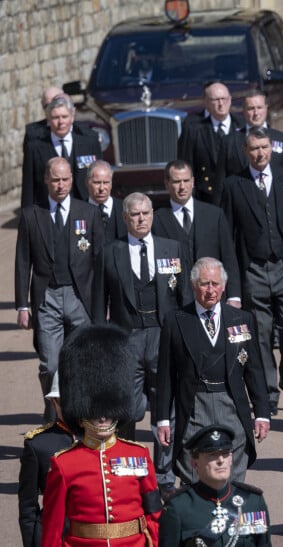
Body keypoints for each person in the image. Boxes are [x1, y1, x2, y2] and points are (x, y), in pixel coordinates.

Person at [93, 192, 186, 498]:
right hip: (126, 338)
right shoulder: (110, 252)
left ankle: (164, 475)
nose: (141, 219)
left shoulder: (172, 249)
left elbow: (184, 299)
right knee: (129, 409)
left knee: (166, 406)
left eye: (145, 213)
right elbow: (98, 305)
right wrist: (103, 346)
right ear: (124, 218)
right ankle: (129, 467)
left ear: (153, 215)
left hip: (163, 335)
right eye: (134, 215)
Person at [222, 127, 283, 416]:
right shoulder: (234, 185)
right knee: (260, 334)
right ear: (245, 151)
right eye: (254, 148)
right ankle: (269, 393)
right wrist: (233, 286)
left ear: (272, 148)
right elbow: (226, 238)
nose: (260, 153)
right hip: (253, 268)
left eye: (264, 147)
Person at [41, 324, 162, 547]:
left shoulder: (139, 455)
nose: (103, 418)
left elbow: (154, 512)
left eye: (109, 410)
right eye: (95, 412)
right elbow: (53, 528)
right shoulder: (64, 464)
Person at [157, 257, 270, 485]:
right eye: (205, 284)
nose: (211, 290)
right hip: (194, 406)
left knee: (232, 470)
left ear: (224, 286)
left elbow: (254, 369)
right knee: (194, 472)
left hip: (232, 405)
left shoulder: (242, 319)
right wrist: (162, 420)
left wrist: (262, 413)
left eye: (215, 284)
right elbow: (166, 375)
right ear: (193, 285)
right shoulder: (176, 321)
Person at [15, 156, 104, 422]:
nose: (61, 185)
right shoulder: (32, 214)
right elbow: (22, 262)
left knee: (82, 362)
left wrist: (102, 304)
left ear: (72, 180)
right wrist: (22, 305)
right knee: (50, 364)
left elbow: (99, 263)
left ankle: (79, 414)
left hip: (81, 297)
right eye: (55, 179)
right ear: (46, 180)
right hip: (47, 297)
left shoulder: (88, 213)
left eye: (65, 179)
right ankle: (54, 411)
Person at [159, 424, 271, 546]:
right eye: (212, 455)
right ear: (195, 464)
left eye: (225, 453)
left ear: (231, 459)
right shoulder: (178, 507)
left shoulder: (253, 501)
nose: (221, 460)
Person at [152, 159, 241, 304]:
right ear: (167, 183)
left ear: (193, 181)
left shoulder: (214, 215)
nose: (182, 187)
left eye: (186, 180)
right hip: (175, 300)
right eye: (176, 181)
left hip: (213, 296)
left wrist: (234, 296)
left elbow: (229, 256)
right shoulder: (157, 220)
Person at [18, 373, 74, 547]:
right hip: (55, 536)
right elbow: (28, 507)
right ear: (53, 403)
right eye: (65, 401)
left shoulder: (104, 440)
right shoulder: (39, 445)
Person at [21, 94, 102, 208]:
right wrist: (27, 219)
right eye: (55, 117)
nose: (61, 122)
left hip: (85, 209)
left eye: (64, 116)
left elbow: (100, 178)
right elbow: (28, 188)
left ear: (72, 117)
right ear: (48, 119)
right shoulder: (34, 148)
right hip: (48, 211)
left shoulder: (89, 142)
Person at [178, 81, 244, 205]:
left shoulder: (243, 126)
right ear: (206, 103)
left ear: (230, 100)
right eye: (215, 100)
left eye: (224, 99)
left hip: (239, 197)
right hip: (207, 198)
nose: (221, 104)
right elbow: (186, 164)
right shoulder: (194, 129)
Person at [219, 89, 283, 181]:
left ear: (266, 108)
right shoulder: (229, 142)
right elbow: (221, 182)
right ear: (244, 110)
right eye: (251, 108)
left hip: (275, 194)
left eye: (259, 108)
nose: (256, 113)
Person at [86, 159, 128, 242]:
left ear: (111, 184)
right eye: (97, 183)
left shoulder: (125, 208)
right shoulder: (78, 210)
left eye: (106, 182)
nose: (102, 188)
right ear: (87, 183)